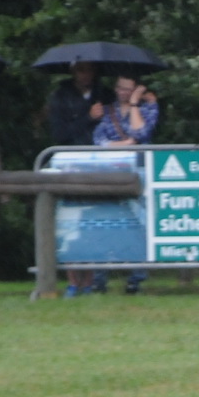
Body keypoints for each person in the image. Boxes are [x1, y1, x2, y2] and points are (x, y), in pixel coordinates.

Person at [87, 75, 160, 296]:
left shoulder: (148, 108)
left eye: (129, 89)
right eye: (120, 88)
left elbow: (142, 133)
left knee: (139, 224)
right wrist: (125, 143)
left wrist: (135, 103)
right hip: (110, 172)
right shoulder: (107, 111)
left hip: (138, 174)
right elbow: (99, 140)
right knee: (104, 223)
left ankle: (135, 278)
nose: (123, 93)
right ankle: (99, 278)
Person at [46, 61, 113, 147]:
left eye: (90, 69)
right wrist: (88, 117)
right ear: (73, 71)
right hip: (73, 150)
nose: (86, 74)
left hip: (102, 149)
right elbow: (59, 134)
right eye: (81, 70)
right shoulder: (60, 97)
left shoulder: (106, 94)